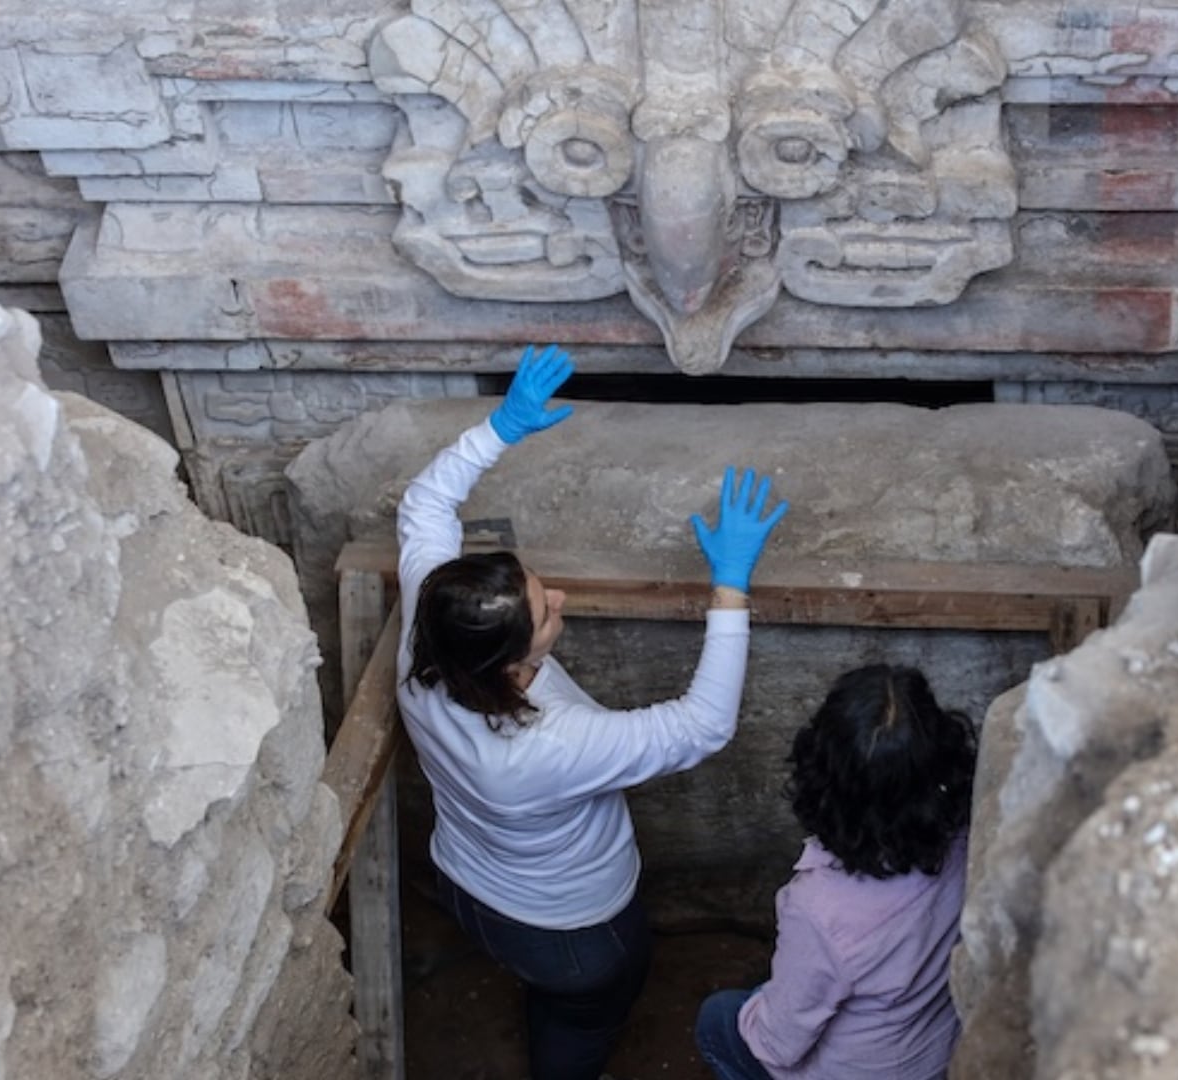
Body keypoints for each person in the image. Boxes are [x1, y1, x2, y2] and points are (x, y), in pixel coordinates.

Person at [396, 343, 789, 1080]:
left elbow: (425, 505)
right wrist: (730, 587)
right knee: (588, 1009)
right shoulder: (544, 747)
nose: (562, 602)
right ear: (517, 665)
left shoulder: (430, 628)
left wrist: (499, 430)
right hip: (569, 928)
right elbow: (701, 725)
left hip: (464, 877)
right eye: (546, 613)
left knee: (552, 989)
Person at [694, 665, 976, 1080]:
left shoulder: (818, 908)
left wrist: (765, 1003)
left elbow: (777, 1045)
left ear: (824, 773)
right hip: (935, 1054)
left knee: (717, 1018)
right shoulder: (969, 829)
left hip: (857, 1070)